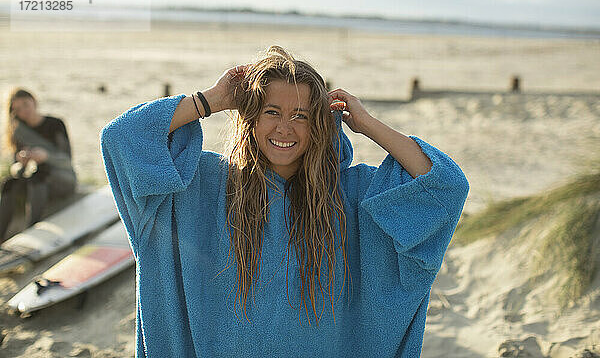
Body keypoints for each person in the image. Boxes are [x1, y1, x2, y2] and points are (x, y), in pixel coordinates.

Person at [100, 46, 469, 357]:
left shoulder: (350, 194)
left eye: (301, 116)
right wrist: (211, 100)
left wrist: (367, 123)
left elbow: (444, 187)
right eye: (271, 112)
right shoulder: (204, 186)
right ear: (251, 119)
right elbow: (122, 140)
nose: (284, 128)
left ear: (320, 125)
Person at [0, 88, 77, 242]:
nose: (24, 111)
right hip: (35, 177)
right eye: (18, 109)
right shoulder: (18, 131)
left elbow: (67, 160)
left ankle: (31, 232)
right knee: (9, 183)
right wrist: (22, 163)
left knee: (39, 178)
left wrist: (46, 156)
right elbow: (15, 169)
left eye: (25, 104)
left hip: (62, 178)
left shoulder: (55, 124)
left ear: (34, 101)